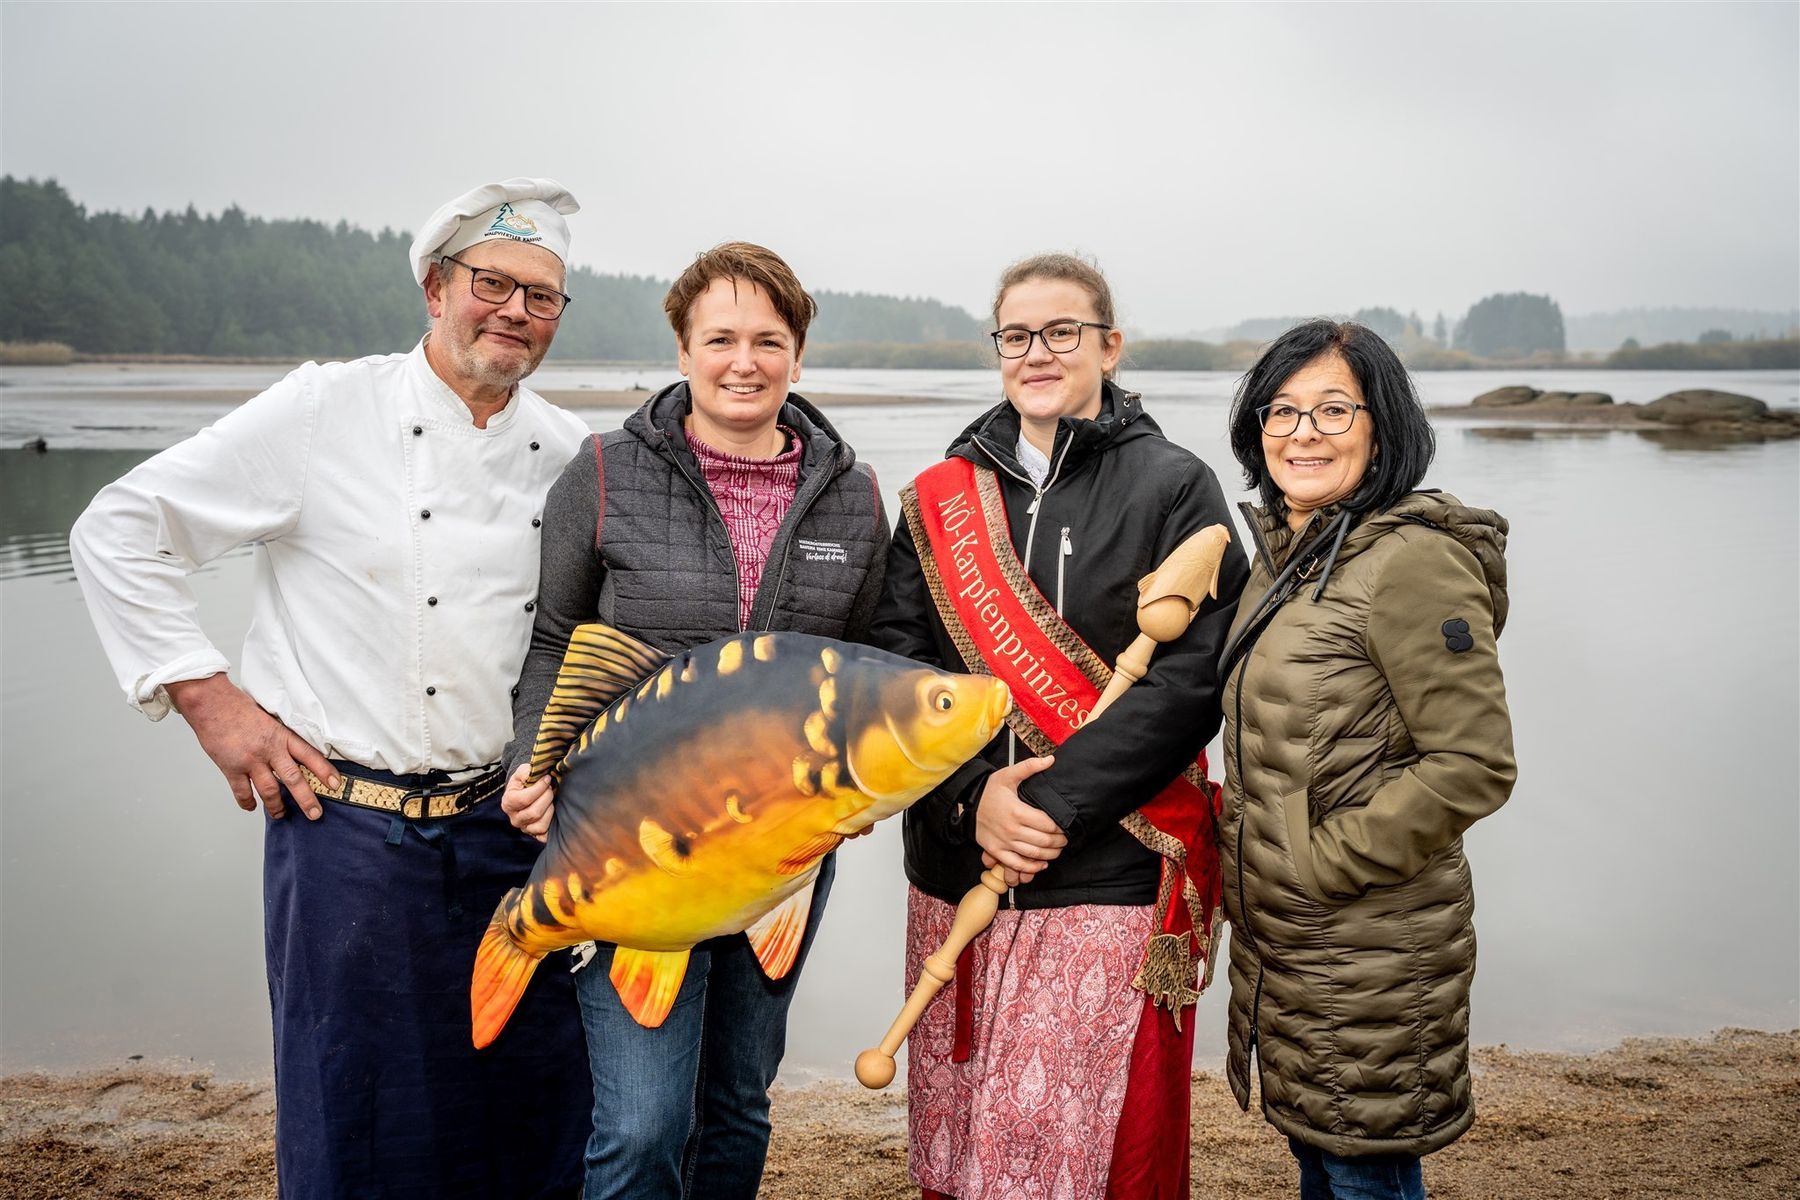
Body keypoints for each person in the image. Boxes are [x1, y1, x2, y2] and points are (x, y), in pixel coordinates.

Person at [69, 179, 596, 1199]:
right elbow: (120, 530)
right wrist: (212, 703)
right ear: (437, 288)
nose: (516, 313)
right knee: (354, 1120)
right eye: (494, 283)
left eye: (542, 297)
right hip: (347, 830)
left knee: (534, 1112)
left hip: (512, 831)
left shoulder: (571, 452)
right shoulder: (326, 408)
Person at [499, 241, 890, 1200]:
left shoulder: (853, 492)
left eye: (768, 339)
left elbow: (876, 656)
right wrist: (530, 763)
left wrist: (876, 788)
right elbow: (554, 639)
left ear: (799, 355)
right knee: (640, 1125)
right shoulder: (602, 472)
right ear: (682, 350)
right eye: (720, 339)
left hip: (786, 852)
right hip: (636, 844)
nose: (743, 362)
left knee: (738, 1107)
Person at [869, 253, 1250, 1200]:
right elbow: (898, 671)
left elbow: (1193, 681)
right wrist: (970, 805)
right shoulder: (938, 498)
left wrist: (1052, 803)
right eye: (1017, 336)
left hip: (1107, 867)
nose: (1037, 353)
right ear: (997, 349)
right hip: (958, 861)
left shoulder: (1175, 486)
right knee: (960, 1145)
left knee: (1072, 1148)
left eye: (1062, 333)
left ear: (1109, 346)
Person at [1216, 320, 1516, 1200]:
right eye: (1283, 410)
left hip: (1370, 945)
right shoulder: (1291, 557)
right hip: (1294, 947)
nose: (1302, 433)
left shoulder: (1412, 562)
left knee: (1361, 1173)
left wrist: (1321, 862)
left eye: (1333, 409)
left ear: (1383, 425)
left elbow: (1473, 762)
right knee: (1322, 1153)